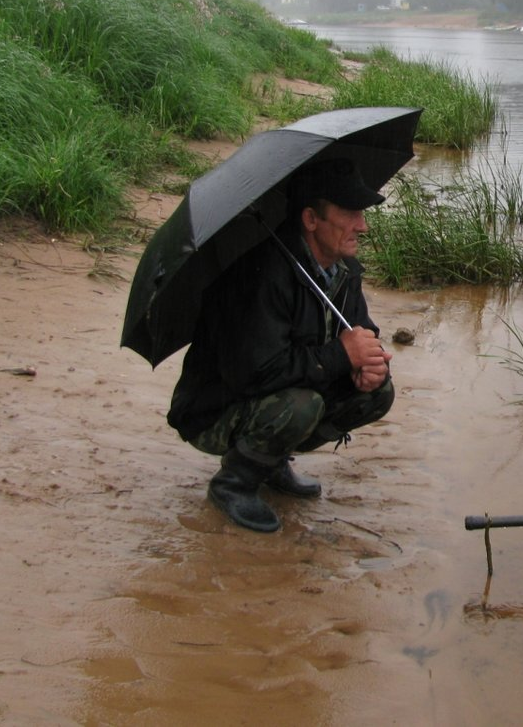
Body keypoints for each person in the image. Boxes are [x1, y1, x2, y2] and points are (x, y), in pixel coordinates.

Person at [167, 158, 395, 532]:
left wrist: (370, 364)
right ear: (310, 219)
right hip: (215, 410)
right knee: (302, 405)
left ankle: (271, 462)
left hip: (276, 391)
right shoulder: (262, 276)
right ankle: (234, 482)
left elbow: (361, 332)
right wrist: (341, 354)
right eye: (351, 212)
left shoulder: (343, 271)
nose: (363, 225)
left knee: (380, 392)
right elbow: (255, 373)